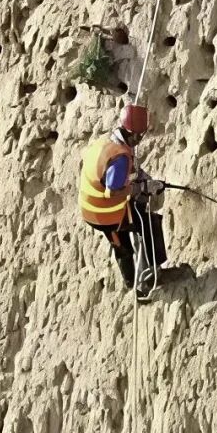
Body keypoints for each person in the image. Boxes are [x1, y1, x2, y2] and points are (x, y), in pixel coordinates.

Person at [78, 103, 170, 298]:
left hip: (90, 207)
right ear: (134, 134)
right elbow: (112, 191)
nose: (141, 138)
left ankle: (134, 282)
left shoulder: (108, 143)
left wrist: (144, 179)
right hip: (104, 212)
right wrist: (142, 188)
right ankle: (148, 280)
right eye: (141, 134)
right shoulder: (120, 158)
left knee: (122, 244)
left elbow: (121, 173)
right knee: (148, 225)